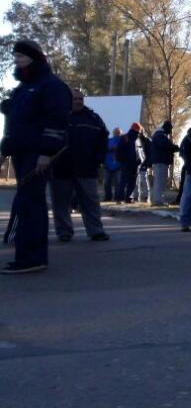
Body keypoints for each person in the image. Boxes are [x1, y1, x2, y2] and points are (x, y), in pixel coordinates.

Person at [1, 40, 71, 274]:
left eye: (22, 56)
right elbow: (16, 123)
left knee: (31, 204)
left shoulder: (50, 86)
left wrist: (45, 154)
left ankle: (32, 258)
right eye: (16, 56)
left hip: (37, 154)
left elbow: (56, 120)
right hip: (22, 153)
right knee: (25, 203)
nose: (17, 60)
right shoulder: (23, 88)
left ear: (35, 58)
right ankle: (26, 255)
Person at [50, 89, 110, 242]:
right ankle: (64, 232)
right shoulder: (58, 117)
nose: (78, 101)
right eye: (74, 99)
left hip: (87, 169)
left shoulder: (94, 119)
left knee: (91, 202)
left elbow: (104, 140)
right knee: (61, 203)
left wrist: (98, 159)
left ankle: (96, 231)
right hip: (61, 169)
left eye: (80, 99)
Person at [149, 120, 178, 206]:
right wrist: (174, 147)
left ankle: (158, 200)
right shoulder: (160, 136)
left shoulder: (159, 135)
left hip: (161, 161)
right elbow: (165, 145)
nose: (170, 131)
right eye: (170, 128)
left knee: (161, 181)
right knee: (160, 181)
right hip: (160, 161)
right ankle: (158, 200)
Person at [116, 123, 142, 204]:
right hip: (126, 164)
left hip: (135, 165)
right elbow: (119, 151)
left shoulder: (137, 139)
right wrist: (123, 161)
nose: (138, 132)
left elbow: (139, 152)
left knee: (132, 182)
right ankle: (120, 198)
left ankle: (128, 198)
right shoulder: (125, 137)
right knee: (124, 181)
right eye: (137, 130)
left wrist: (140, 160)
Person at [103, 127, 122, 202]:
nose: (118, 134)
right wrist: (111, 149)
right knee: (106, 183)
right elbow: (104, 150)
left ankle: (117, 197)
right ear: (113, 133)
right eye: (116, 132)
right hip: (107, 165)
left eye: (119, 133)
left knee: (118, 183)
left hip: (119, 166)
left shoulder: (123, 141)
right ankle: (108, 197)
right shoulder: (108, 141)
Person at [134, 126, 151, 204]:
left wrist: (147, 163)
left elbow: (149, 153)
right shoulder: (135, 140)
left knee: (143, 180)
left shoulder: (147, 141)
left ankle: (145, 196)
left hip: (143, 163)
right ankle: (135, 196)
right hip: (136, 163)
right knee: (135, 180)